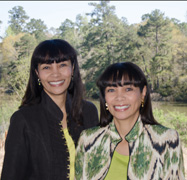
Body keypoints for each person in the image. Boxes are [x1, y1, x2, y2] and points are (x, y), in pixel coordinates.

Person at [1, 39, 99, 180]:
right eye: (47, 67)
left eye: (63, 65)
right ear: (37, 73)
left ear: (73, 69)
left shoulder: (89, 111)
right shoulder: (23, 120)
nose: (56, 74)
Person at [75, 62, 185, 180]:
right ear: (104, 97)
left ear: (143, 93)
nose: (119, 97)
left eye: (128, 89)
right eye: (111, 90)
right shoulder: (88, 140)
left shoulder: (165, 140)